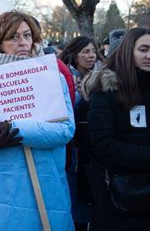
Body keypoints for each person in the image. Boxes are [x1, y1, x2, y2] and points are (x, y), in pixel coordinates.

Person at [0, 10, 75, 230]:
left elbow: (65, 130)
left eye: (27, 35)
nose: (23, 42)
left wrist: (14, 128)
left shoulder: (51, 77)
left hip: (46, 184)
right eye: (14, 37)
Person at [83, 28, 150, 231]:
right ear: (127, 51)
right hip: (118, 198)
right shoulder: (105, 90)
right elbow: (102, 145)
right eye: (143, 49)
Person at [59, 36, 101, 230]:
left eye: (93, 51)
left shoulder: (103, 76)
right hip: (73, 148)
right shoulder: (65, 76)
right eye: (85, 51)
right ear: (74, 54)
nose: (90, 56)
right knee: (74, 195)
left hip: (95, 146)